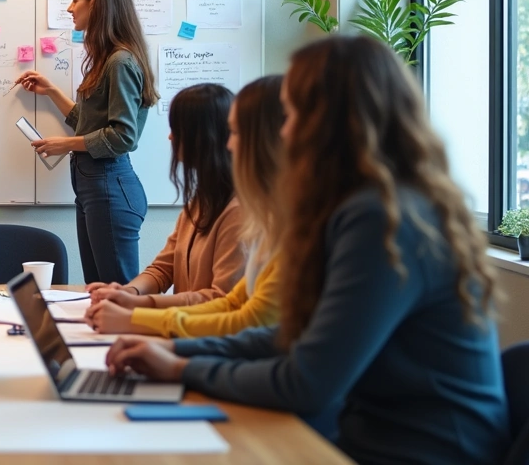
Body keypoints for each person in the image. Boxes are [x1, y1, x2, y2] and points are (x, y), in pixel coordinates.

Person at [105, 36, 509, 464]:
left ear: (328, 124)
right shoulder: (366, 207)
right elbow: (293, 337)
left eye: (293, 113)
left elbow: (308, 380)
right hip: (373, 434)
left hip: (419, 450)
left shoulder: (381, 219)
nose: (284, 130)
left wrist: (181, 367)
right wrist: (178, 350)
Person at [89, 75, 284, 338]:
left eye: (177, 130)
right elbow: (163, 268)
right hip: (187, 335)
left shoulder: (240, 211)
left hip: (203, 340)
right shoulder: (200, 201)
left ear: (202, 137)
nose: (170, 137)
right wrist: (128, 292)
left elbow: (220, 300)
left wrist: (137, 311)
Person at [15, 0, 159, 284]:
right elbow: (88, 123)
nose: (69, 8)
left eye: (74, 0)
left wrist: (64, 144)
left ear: (96, 5)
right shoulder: (108, 59)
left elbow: (122, 136)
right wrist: (51, 92)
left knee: (116, 294)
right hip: (94, 188)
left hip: (109, 187)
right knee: (98, 289)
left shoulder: (120, 61)